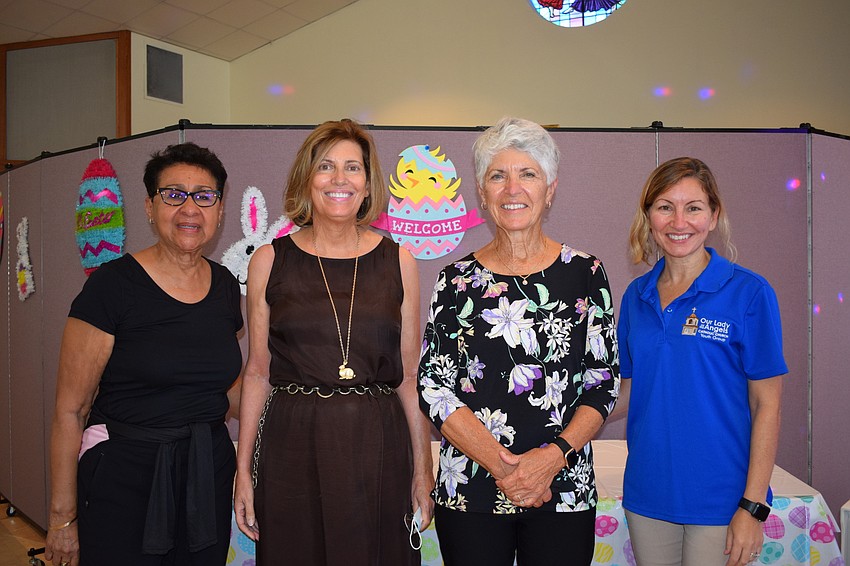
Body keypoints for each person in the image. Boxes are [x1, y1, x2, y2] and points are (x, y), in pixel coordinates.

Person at [417, 117, 620, 565]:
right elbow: (433, 387)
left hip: (563, 485)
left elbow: (603, 383)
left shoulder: (586, 274)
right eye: (498, 175)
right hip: (470, 486)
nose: (513, 189)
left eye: (528, 174)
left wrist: (551, 460)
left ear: (550, 190)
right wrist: (504, 467)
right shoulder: (455, 281)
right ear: (482, 192)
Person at [233, 119, 434, 565]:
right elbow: (258, 370)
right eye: (326, 167)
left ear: (367, 185)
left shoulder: (398, 259)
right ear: (308, 178)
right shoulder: (269, 259)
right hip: (291, 446)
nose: (339, 179)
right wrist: (243, 471)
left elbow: (408, 377)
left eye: (353, 168)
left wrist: (423, 468)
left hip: (376, 446)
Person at [45, 143, 243, 566]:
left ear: (220, 210)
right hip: (123, 475)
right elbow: (70, 411)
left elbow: (229, 385)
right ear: (150, 208)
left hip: (206, 471)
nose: (189, 208)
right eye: (173, 194)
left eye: (204, 195)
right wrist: (62, 519)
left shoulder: (227, 287)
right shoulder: (112, 287)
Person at [616, 157, 786, 566]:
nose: (679, 221)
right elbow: (628, 391)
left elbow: (769, 405)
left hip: (722, 500)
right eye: (664, 207)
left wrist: (752, 506)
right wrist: (560, 421)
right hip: (648, 494)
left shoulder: (749, 293)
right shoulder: (635, 297)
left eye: (693, 207)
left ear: (713, 216)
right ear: (649, 217)